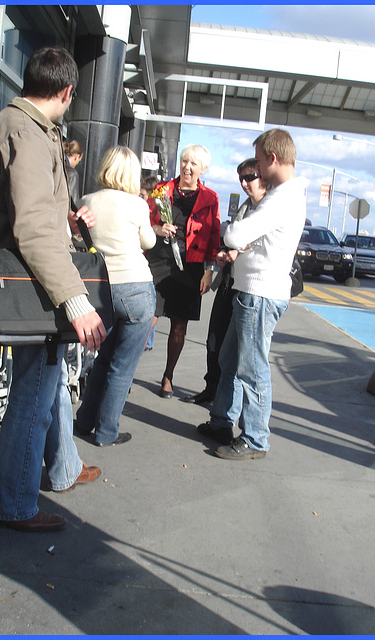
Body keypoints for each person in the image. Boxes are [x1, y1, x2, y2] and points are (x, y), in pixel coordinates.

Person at [0, 46, 106, 532]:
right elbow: (34, 230)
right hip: (33, 285)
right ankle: (12, 502)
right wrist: (76, 301)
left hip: (25, 278)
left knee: (44, 385)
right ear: (66, 91)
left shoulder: (15, 126)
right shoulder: (29, 133)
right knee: (33, 395)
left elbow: (26, 210)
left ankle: (61, 467)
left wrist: (66, 215)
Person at [197, 128, 308, 460]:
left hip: (260, 293)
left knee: (251, 368)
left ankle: (256, 438)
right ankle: (221, 421)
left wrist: (233, 234)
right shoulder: (282, 195)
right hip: (252, 291)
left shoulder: (282, 197)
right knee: (230, 360)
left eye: (259, 161)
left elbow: (236, 234)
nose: (256, 169)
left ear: (273, 158)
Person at [75, 146, 156, 446]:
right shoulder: (137, 205)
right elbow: (148, 239)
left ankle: (84, 420)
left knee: (104, 358)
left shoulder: (87, 201)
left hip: (100, 290)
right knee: (123, 366)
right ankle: (107, 432)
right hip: (136, 287)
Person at [184, 158, 268, 404]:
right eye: (241, 178)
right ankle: (213, 390)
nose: (244, 183)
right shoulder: (244, 208)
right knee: (214, 340)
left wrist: (238, 252)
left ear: (263, 178)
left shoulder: (269, 209)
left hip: (251, 287)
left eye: (249, 177)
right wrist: (224, 253)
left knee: (242, 352)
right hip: (231, 281)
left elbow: (265, 245)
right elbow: (231, 238)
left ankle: (231, 401)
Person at [146, 144, 220, 398]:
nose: (187, 167)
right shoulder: (161, 190)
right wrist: (157, 229)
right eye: (184, 161)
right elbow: (143, 219)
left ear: (203, 169)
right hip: (159, 260)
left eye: (193, 164)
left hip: (191, 265)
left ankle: (168, 376)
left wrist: (209, 271)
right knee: (146, 319)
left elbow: (213, 236)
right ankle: (122, 372)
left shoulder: (210, 198)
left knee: (179, 326)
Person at [139, 175, 159, 350]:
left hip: (150, 258)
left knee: (151, 302)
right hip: (148, 257)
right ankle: (149, 340)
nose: (142, 200)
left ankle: (146, 340)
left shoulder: (152, 211)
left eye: (144, 196)